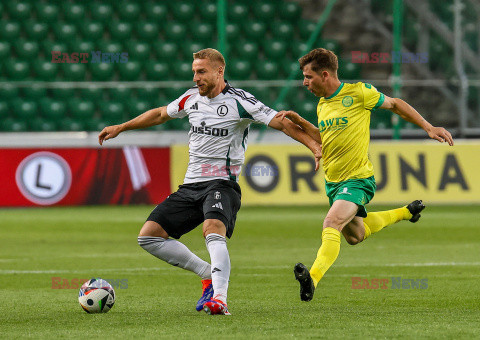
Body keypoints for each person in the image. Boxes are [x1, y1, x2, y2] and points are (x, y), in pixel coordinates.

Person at [98, 48, 322, 315]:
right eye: (194, 71)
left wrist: (314, 147)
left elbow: (284, 124)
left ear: (219, 71)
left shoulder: (241, 101)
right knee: (148, 237)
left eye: (201, 71)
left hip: (222, 183)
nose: (196, 77)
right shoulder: (190, 99)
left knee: (212, 229)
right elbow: (160, 114)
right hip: (191, 185)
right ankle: (206, 273)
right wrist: (121, 127)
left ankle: (220, 298)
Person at [276, 48, 454, 302]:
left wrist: (428, 126)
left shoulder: (358, 93)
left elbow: (395, 105)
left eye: (308, 77)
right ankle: (406, 212)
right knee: (355, 236)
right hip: (333, 183)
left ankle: (312, 278)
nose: (304, 82)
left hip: (358, 179)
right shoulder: (323, 104)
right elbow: (324, 139)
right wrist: (300, 122)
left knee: (331, 223)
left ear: (324, 74)